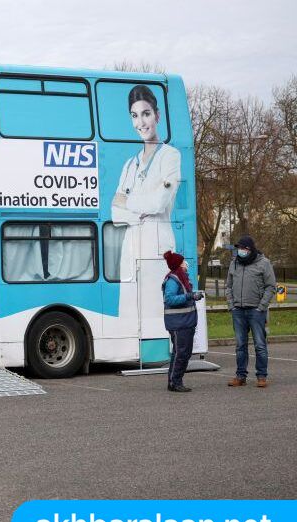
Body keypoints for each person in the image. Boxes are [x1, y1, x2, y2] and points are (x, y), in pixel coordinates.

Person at [109, 85, 182, 332]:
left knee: (156, 314)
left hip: (157, 246)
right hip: (132, 248)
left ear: (157, 115)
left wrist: (127, 201)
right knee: (131, 317)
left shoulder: (170, 156)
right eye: (135, 115)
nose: (141, 122)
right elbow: (115, 214)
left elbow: (159, 202)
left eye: (146, 113)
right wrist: (139, 206)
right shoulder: (129, 164)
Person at [226, 235, 277, 388]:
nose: (239, 251)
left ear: (250, 249)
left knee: (260, 345)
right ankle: (240, 376)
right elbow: (228, 286)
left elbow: (270, 286)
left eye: (242, 248)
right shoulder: (234, 264)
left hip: (256, 311)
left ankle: (261, 376)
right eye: (238, 248)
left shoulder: (264, 263)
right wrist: (231, 305)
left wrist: (261, 306)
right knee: (240, 345)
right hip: (238, 311)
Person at [161, 252, 203, 393]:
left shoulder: (181, 278)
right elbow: (170, 299)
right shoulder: (173, 280)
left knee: (181, 353)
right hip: (179, 324)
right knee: (181, 353)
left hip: (184, 322)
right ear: (178, 265)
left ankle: (174, 381)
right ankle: (175, 382)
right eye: (184, 262)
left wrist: (192, 295)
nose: (186, 264)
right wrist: (190, 296)